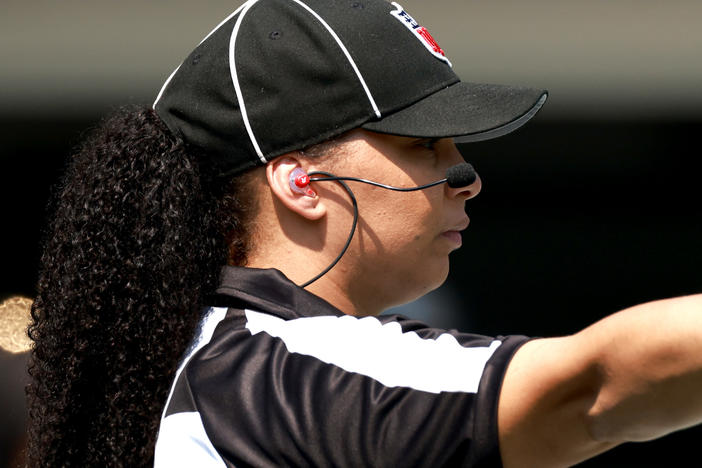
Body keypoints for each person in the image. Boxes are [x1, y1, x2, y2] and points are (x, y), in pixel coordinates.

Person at [26, 0, 702, 467]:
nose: (465, 176)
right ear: (302, 183)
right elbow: (591, 389)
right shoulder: (277, 370)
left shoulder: (210, 362)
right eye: (422, 144)